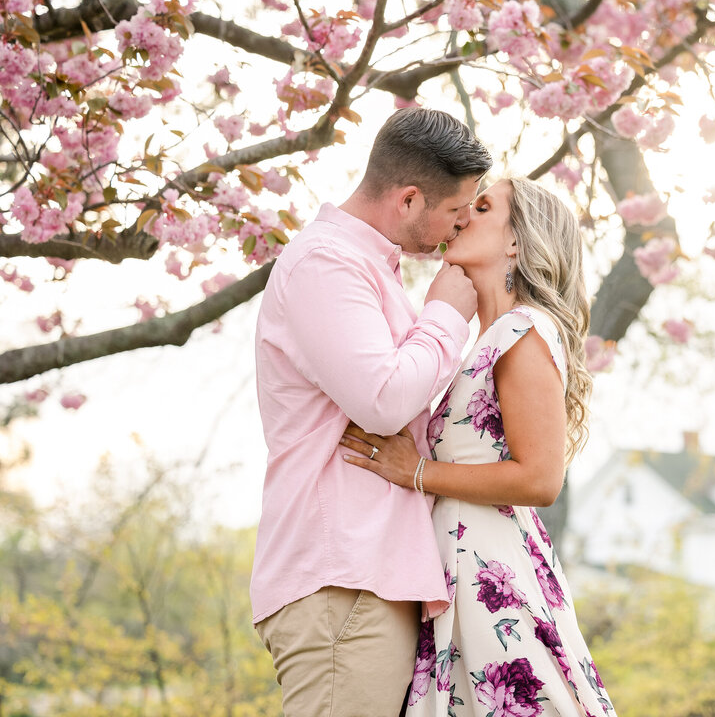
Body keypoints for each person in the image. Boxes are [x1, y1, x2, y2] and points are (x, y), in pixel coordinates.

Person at [340, 176, 618, 716]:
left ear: (517, 240)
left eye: (483, 207)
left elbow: (540, 479)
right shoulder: (488, 341)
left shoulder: (524, 331)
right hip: (461, 566)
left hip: (494, 570)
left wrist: (416, 471)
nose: (463, 214)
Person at [251, 107, 492, 717]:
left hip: (366, 575)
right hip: (342, 576)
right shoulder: (327, 265)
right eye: (455, 214)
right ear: (409, 199)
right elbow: (382, 400)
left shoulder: (365, 269)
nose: (456, 233)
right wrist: (445, 314)